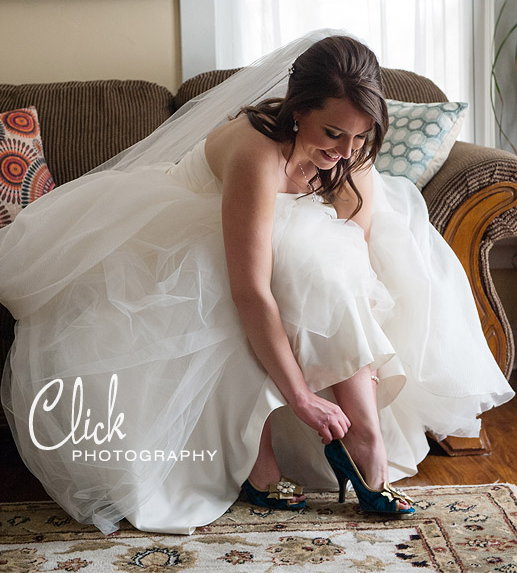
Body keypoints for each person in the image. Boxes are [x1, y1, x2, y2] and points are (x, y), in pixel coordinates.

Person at [0, 30, 513, 535]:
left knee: (327, 262)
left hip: (301, 256)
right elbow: (251, 290)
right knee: (254, 278)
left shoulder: (352, 151)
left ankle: (365, 436)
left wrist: (355, 370)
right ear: (297, 110)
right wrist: (303, 399)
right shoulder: (258, 152)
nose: (345, 149)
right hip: (197, 235)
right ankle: (258, 460)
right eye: (332, 133)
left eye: (359, 136)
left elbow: (353, 264)